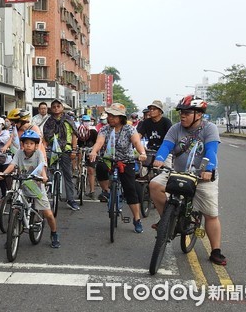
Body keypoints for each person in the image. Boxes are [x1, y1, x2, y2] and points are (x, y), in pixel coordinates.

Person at [149, 95, 226, 265]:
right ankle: (166, 222)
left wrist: (208, 169)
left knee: (211, 215)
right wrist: (159, 159)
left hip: (202, 176)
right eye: (181, 112)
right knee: (154, 185)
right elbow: (166, 146)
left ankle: (216, 251)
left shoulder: (209, 128)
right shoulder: (175, 128)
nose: (182, 116)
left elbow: (212, 150)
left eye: (187, 112)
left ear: (199, 114)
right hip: (177, 172)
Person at [88, 103, 148, 233]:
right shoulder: (104, 129)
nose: (110, 118)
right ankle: (106, 191)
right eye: (109, 115)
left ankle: (137, 219)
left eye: (114, 116)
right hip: (109, 159)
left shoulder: (129, 129)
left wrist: (142, 153)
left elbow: (137, 142)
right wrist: (94, 151)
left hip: (126, 161)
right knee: (100, 168)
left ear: (121, 117)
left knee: (130, 189)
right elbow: (99, 142)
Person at [0, 130, 60, 248]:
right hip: (22, 186)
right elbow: (12, 165)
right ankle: (11, 235)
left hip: (36, 187)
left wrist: (44, 177)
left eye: (31, 143)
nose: (28, 145)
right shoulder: (19, 153)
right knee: (14, 209)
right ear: (22, 144)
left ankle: (54, 233)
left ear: (36, 145)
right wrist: (4, 173)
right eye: (26, 143)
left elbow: (42, 166)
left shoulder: (38, 154)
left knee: (48, 213)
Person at [42, 99, 80, 211]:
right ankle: (48, 193)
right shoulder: (49, 122)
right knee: (47, 171)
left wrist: (73, 150)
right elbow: (45, 136)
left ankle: (70, 199)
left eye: (58, 106)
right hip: (52, 150)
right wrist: (44, 148)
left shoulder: (69, 120)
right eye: (53, 106)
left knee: (68, 175)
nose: (56, 108)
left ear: (62, 108)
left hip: (66, 150)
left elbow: (74, 135)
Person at [76, 114, 98, 200]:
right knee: (80, 165)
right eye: (85, 121)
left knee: (91, 170)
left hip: (91, 151)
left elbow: (97, 142)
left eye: (88, 121)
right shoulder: (78, 130)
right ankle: (79, 178)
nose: (86, 123)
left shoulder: (93, 131)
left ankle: (92, 191)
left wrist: (94, 150)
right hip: (81, 149)